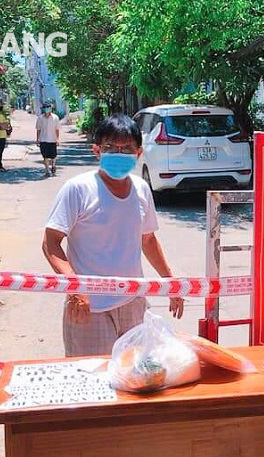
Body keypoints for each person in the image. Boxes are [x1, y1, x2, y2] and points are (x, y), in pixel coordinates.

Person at [42, 113, 184, 357]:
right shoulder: (78, 189)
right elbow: (50, 242)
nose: (119, 154)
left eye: (126, 148)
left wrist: (170, 282)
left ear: (139, 153)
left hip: (133, 303)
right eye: (110, 147)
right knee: (93, 382)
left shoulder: (141, 189)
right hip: (90, 308)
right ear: (96, 151)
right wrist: (76, 289)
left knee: (135, 378)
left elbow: (147, 240)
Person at [36, 102, 61, 177]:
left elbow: (57, 129)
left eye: (48, 108)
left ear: (51, 109)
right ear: (43, 109)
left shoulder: (55, 118)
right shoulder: (40, 118)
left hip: (52, 140)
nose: (47, 109)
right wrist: (38, 139)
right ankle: (47, 170)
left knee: (53, 156)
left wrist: (57, 139)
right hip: (43, 140)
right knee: (45, 156)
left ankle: (53, 166)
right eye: (45, 108)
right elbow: (38, 129)